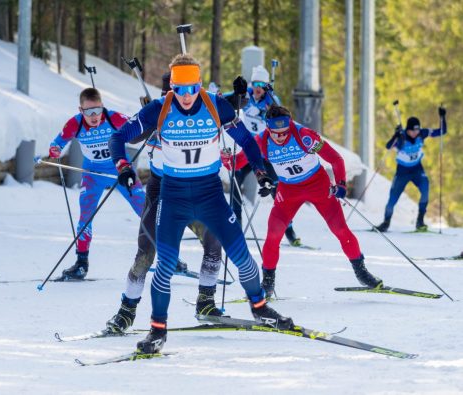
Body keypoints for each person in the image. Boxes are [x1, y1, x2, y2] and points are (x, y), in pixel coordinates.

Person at [110, 54, 293, 354]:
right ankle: (156, 329)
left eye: (192, 88)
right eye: (179, 89)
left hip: (210, 195)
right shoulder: (159, 109)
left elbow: (247, 140)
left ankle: (259, 307)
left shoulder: (214, 105)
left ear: (199, 84)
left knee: (241, 256)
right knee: (164, 265)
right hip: (172, 196)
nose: (186, 96)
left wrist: (260, 172)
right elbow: (118, 137)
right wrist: (124, 167)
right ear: (171, 87)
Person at [105, 73, 227, 333]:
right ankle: (126, 312)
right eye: (170, 95)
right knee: (146, 253)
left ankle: (206, 301)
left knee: (214, 241)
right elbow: (122, 137)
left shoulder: (199, 115)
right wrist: (123, 166)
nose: (179, 100)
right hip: (161, 190)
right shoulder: (155, 116)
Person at [227, 105, 383, 297]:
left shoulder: (305, 136)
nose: (282, 137)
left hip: (318, 185)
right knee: (274, 234)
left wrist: (341, 184)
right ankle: (267, 282)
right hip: (288, 190)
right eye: (277, 134)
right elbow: (238, 161)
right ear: (268, 128)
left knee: (340, 229)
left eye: (285, 132)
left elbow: (335, 159)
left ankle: (362, 272)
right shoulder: (261, 140)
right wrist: (227, 158)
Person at [49, 88, 145, 280]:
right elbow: (57, 142)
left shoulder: (113, 118)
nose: (94, 116)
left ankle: (170, 257)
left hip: (120, 169)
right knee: (86, 215)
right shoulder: (75, 123)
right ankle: (81, 264)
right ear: (80, 109)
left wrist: (156, 139)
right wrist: (55, 150)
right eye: (88, 112)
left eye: (98, 110)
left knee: (145, 209)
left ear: (103, 106)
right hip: (92, 173)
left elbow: (140, 130)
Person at [235, 66, 301, 246]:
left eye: (261, 85)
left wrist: (270, 100)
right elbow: (229, 99)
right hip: (248, 149)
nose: (257, 88)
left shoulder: (271, 101)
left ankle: (289, 231)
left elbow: (279, 112)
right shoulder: (245, 96)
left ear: (266, 87)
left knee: (276, 190)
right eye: (255, 83)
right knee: (235, 180)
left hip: (266, 152)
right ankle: (235, 227)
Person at [375, 107, 447, 232]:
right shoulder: (401, 138)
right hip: (402, 172)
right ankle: (385, 223)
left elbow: (442, 131)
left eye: (417, 130)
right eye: (413, 130)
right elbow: (388, 146)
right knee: (393, 199)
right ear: (408, 130)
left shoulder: (422, 133)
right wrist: (395, 135)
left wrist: (442, 117)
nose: (415, 133)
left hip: (417, 170)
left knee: (425, 190)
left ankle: (420, 221)